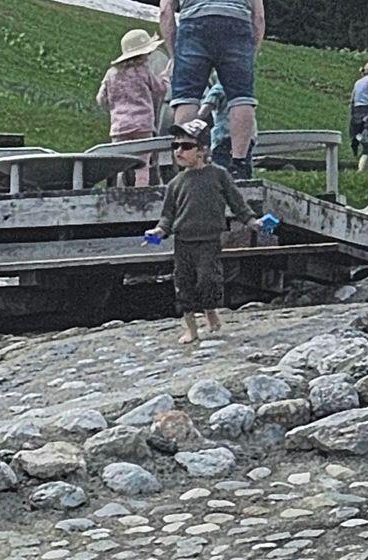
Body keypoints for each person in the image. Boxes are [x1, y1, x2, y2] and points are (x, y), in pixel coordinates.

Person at [148, 125, 258, 344]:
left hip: (209, 239)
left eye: (186, 146)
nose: (179, 151)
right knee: (184, 283)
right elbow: (168, 215)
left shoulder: (218, 175)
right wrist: (159, 230)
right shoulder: (175, 183)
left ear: (202, 150)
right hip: (183, 240)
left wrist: (251, 221)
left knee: (208, 279)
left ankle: (211, 312)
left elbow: (236, 202)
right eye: (175, 146)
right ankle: (190, 327)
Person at [161, 0, 264, 179]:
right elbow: (259, 16)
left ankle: (187, 164)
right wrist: (250, 53)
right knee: (241, 98)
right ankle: (239, 164)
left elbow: (165, 10)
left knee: (186, 98)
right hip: (236, 21)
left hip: (194, 22)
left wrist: (173, 55)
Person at [98, 29, 168, 184]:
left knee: (119, 163)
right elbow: (160, 89)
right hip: (142, 126)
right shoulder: (143, 71)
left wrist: (112, 108)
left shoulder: (111, 73)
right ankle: (141, 191)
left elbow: (101, 98)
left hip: (119, 127)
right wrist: (165, 77)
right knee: (142, 165)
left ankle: (119, 189)